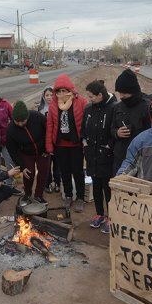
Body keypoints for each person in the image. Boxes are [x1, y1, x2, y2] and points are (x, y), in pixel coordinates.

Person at [46, 74, 89, 213]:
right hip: (60, 145)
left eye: (64, 90)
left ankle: (80, 198)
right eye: (58, 91)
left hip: (76, 145)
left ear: (70, 90)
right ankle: (69, 196)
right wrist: (49, 145)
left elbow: (86, 124)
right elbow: (50, 126)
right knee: (64, 172)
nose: (61, 94)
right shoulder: (53, 104)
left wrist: (85, 141)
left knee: (77, 172)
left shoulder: (81, 102)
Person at [82, 80, 118, 234]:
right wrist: (84, 141)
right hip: (92, 154)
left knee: (107, 187)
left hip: (107, 156)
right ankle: (99, 214)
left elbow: (114, 131)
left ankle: (111, 218)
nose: (89, 99)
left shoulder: (113, 108)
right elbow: (83, 127)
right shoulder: (89, 109)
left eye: (92, 97)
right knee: (96, 185)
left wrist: (109, 145)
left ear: (100, 95)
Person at [6, 101, 50, 206]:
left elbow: (49, 131)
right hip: (26, 153)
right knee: (28, 173)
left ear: (28, 116)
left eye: (23, 121)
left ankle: (39, 195)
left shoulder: (37, 117)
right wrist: (21, 166)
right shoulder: (10, 129)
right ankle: (27, 194)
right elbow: (12, 150)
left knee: (43, 172)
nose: (21, 124)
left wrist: (47, 149)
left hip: (43, 151)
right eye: (18, 122)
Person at [111, 69, 151, 173]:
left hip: (141, 160)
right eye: (119, 93)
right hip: (120, 158)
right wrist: (117, 133)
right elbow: (111, 129)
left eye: (124, 93)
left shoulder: (147, 107)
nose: (121, 96)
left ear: (133, 91)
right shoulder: (118, 107)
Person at [37, 87, 61, 194]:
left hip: (57, 140)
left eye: (52, 95)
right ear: (43, 97)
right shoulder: (41, 109)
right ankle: (47, 184)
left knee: (57, 163)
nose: (49, 97)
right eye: (47, 95)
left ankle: (57, 183)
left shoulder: (60, 107)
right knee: (46, 163)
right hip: (45, 140)